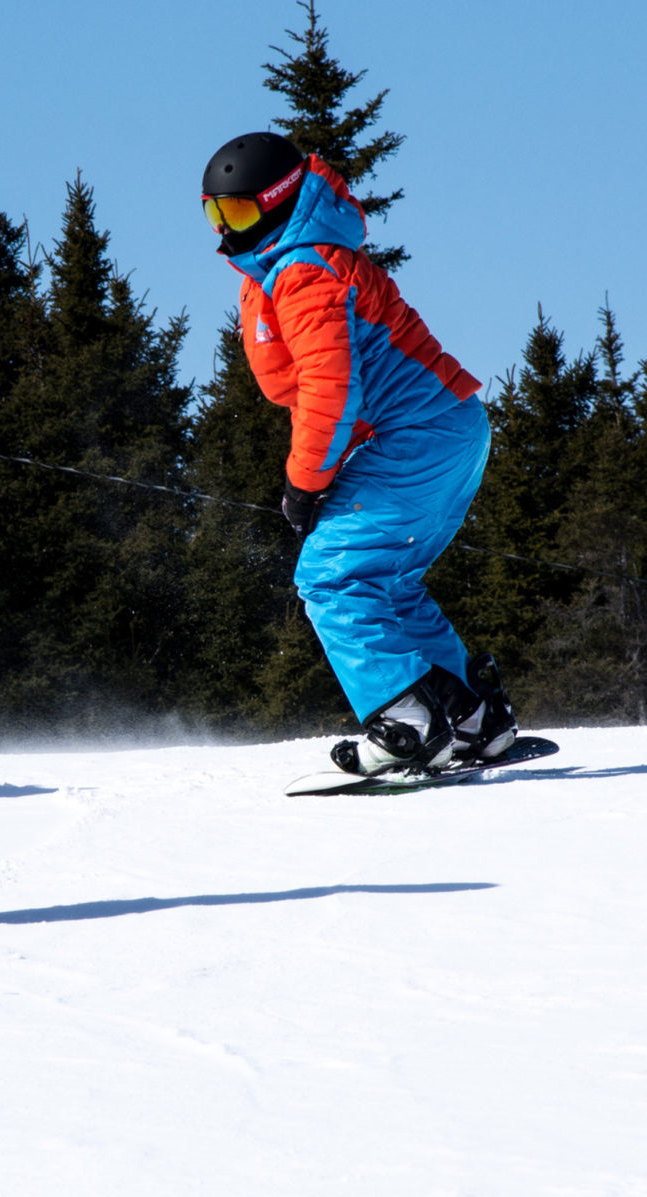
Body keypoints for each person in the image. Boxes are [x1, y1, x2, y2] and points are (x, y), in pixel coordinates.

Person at [201, 132, 518, 775]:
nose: (225, 230)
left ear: (280, 199)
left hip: (419, 436)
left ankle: (406, 719)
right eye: (215, 214)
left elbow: (329, 389)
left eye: (237, 212)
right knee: (385, 577)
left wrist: (304, 483)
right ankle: (472, 718)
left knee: (332, 574)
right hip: (445, 429)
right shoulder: (292, 265)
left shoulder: (305, 273)